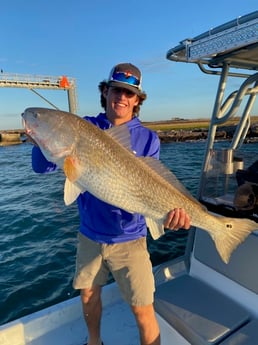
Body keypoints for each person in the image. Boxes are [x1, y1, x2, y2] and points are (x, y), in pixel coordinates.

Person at [31, 63, 191, 345]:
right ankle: (94, 342)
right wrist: (40, 138)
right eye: (117, 90)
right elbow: (42, 168)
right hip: (90, 234)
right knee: (88, 296)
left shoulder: (148, 138)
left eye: (130, 93)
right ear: (105, 92)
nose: (122, 97)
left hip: (130, 238)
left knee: (142, 308)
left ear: (137, 100)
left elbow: (154, 184)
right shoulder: (84, 127)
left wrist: (171, 213)